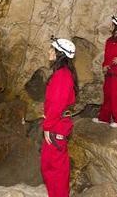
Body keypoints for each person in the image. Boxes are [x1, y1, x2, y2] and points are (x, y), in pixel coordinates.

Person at [41, 36, 78, 197]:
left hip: (56, 126)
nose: (49, 51)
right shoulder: (62, 73)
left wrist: (48, 127)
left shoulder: (62, 76)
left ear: (59, 54)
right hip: (57, 123)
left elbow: (56, 104)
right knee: (50, 166)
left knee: (55, 169)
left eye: (52, 49)